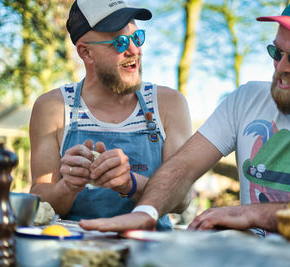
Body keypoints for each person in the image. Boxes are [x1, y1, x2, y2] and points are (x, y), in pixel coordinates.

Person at [78, 0, 290, 235]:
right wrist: (146, 211)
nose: (281, 67)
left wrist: (252, 213)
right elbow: (183, 166)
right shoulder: (247, 99)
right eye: (276, 52)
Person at [29, 0, 192, 231]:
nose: (134, 50)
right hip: (77, 249)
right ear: (86, 53)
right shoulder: (53, 108)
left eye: (137, 38)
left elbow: (183, 199)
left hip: (151, 250)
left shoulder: (168, 104)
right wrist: (68, 187)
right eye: (120, 42)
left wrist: (129, 183)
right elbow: (40, 200)